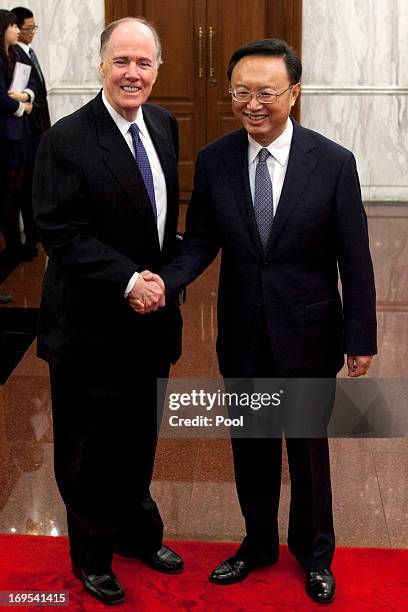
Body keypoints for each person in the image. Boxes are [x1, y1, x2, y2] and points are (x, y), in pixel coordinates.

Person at [138, 39, 377, 604]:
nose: (253, 103)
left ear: (293, 92)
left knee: (308, 452)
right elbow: (199, 244)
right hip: (244, 333)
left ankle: (315, 555)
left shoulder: (334, 161)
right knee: (251, 446)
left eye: (266, 92)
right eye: (241, 92)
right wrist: (162, 282)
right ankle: (258, 543)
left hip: (310, 333)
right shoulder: (218, 159)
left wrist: (360, 337)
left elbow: (356, 257)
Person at [32, 17, 183, 605]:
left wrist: (163, 281)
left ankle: (135, 535)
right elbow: (59, 232)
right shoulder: (66, 139)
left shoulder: (165, 125)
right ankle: (93, 555)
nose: (132, 73)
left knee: (139, 439)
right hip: (89, 327)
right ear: (101, 64)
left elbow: (161, 225)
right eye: (122, 61)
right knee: (89, 450)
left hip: (150, 325)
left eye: (144, 63)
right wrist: (128, 280)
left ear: (156, 70)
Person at [12, 6, 51, 255]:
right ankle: (29, 234)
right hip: (24, 128)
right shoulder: (14, 54)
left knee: (34, 183)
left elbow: (35, 85)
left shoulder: (29, 51)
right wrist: (24, 99)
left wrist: (28, 94)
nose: (32, 32)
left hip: (36, 122)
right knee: (23, 186)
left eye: (34, 27)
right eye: (28, 28)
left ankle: (35, 230)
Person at [0, 9, 34, 268]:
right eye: (12, 26)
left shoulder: (13, 55)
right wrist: (22, 107)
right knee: (7, 194)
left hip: (17, 132)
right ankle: (12, 246)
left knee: (18, 190)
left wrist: (23, 99)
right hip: (5, 134)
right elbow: (2, 97)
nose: (16, 30)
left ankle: (18, 245)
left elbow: (21, 87)